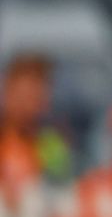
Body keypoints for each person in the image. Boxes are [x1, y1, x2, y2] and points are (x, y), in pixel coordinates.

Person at [0, 54, 72, 203]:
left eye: (36, 97)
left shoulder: (51, 143)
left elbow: (63, 186)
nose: (28, 107)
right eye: (23, 97)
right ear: (7, 91)